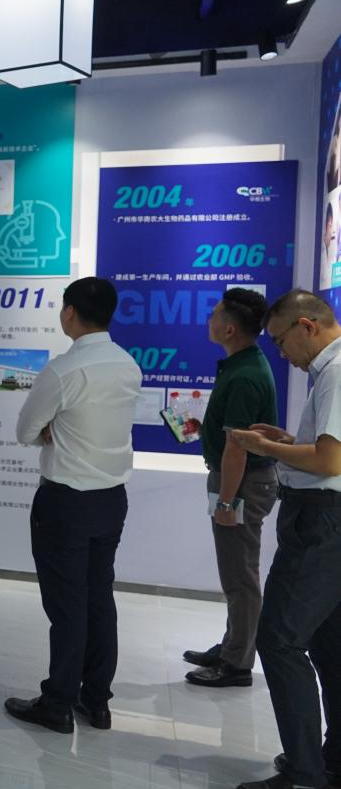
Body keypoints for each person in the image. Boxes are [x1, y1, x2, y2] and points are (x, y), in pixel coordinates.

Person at [5, 277, 142, 734]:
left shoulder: (64, 370)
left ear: (69, 313)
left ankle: (57, 703)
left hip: (65, 501)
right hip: (112, 499)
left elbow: (26, 430)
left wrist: (53, 430)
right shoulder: (127, 364)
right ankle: (96, 701)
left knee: (67, 605)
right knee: (99, 599)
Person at [228, 290, 341, 789]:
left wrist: (265, 447)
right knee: (328, 642)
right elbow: (326, 452)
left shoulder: (335, 372)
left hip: (322, 524)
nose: (280, 352)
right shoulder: (329, 371)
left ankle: (304, 772)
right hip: (325, 520)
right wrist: (290, 442)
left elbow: (329, 462)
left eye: (280, 340)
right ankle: (331, 759)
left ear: (307, 326)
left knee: (278, 639)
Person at [182, 289, 278, 688]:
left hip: (241, 484)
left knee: (240, 575)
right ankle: (232, 645)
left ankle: (237, 663)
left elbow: (238, 447)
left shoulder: (245, 376)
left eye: (215, 314)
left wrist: (226, 501)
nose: (209, 319)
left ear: (230, 329)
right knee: (235, 570)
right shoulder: (241, 365)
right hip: (236, 480)